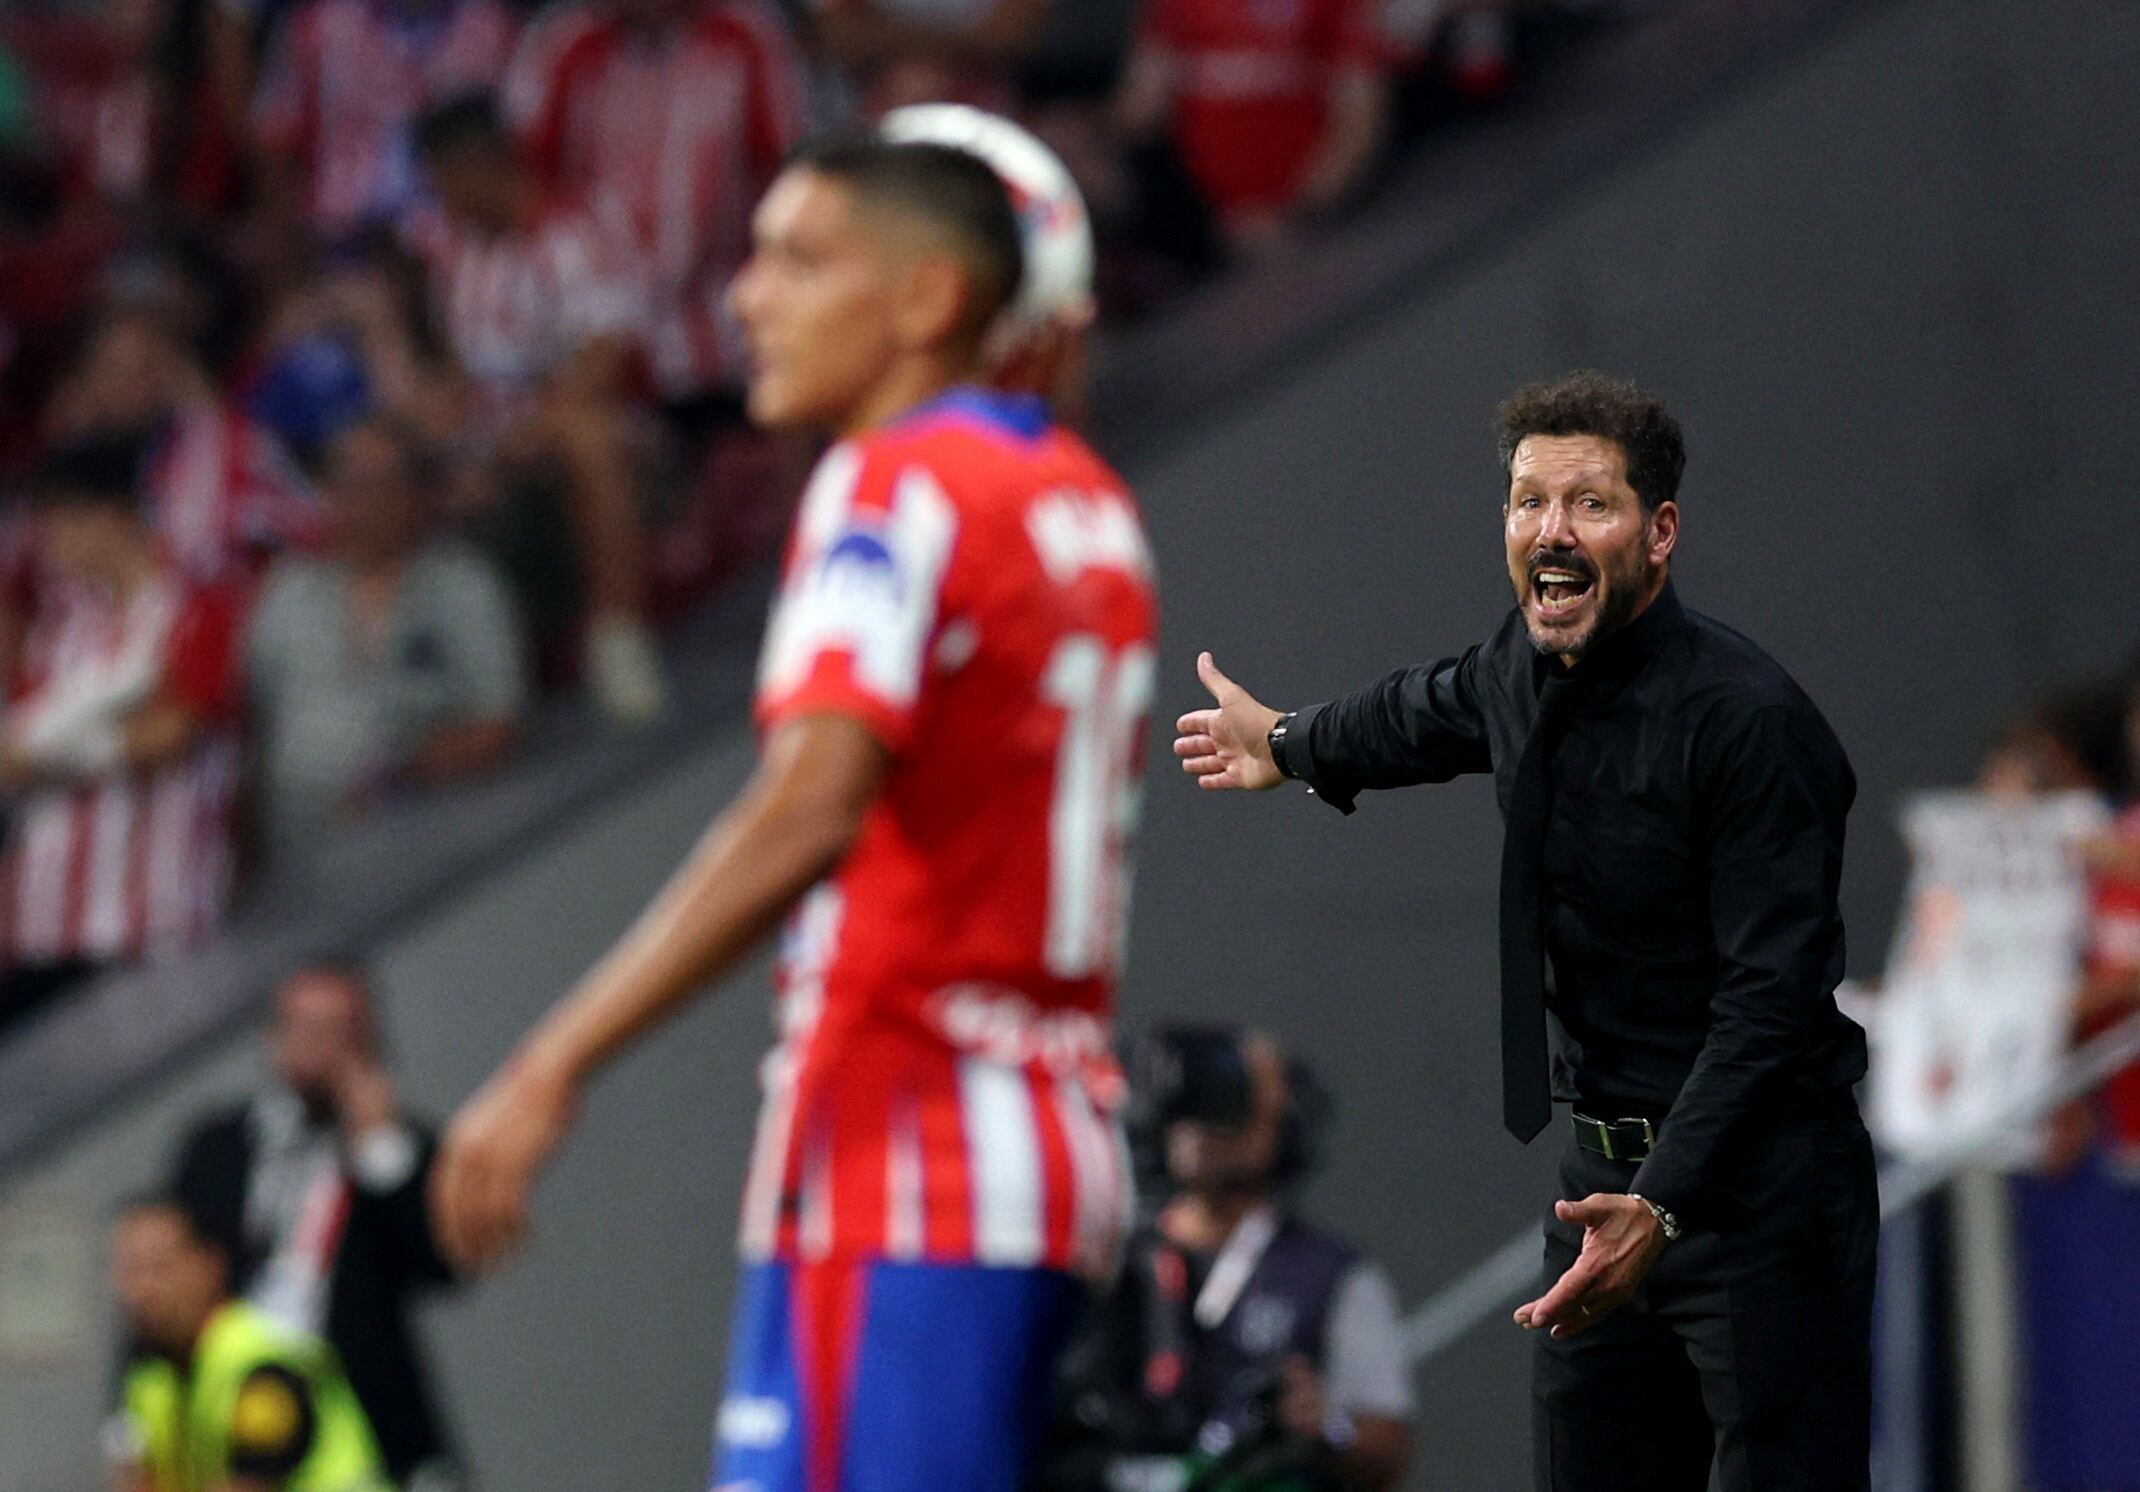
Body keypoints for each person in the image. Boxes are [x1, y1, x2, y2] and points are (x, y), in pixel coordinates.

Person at [432, 136, 1159, 1492]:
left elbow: (812, 800)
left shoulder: (892, 483)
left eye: (801, 259)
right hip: (1053, 1144)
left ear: (927, 299)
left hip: (904, 1152)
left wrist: (551, 1062)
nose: (746, 298)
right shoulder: (1088, 505)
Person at [1171, 370, 1877, 1491]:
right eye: (1525, 500)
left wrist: (1664, 1200)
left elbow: (1771, 1005)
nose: (1550, 528)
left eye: (1588, 503)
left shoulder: (1749, 724)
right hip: (1599, 1179)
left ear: (1659, 532)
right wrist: (1292, 742)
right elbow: (1427, 707)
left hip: (1756, 1193)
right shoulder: (1520, 666)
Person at [1036, 1028, 1412, 1492]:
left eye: (1234, 1099)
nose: (1206, 1117)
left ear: (1282, 1124)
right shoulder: (1107, 1256)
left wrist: (1327, 1424)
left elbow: (1386, 1453)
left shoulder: (1331, 1276)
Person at [407, 90, 667, 723]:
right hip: (496, 444)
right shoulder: (455, 256)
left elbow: (601, 370)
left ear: (475, 165)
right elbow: (460, 379)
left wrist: (513, 443)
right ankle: (453, 699)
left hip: (601, 437)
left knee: (586, 439)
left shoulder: (570, 231)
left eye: (440, 181)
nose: (436, 198)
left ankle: (620, 637)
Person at [169, 963, 468, 1492]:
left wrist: (380, 1148)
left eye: (341, 1033)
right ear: (273, 1038)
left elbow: (440, 1268)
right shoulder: (217, 1146)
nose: (324, 1050)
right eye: (307, 1029)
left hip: (366, 1423)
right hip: (242, 1414)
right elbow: (167, 1280)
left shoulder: (400, 1148)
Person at [0, 434, 245, 1024]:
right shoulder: (61, 631)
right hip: (46, 924)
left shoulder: (193, 604)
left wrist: (59, 752)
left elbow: (177, 731)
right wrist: (114, 730)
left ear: (109, 513)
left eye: (57, 524)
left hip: (149, 920)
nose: (47, 545)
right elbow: (14, 757)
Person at [244, 414, 527, 860]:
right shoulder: (287, 592)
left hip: (433, 842)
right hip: (298, 857)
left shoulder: (462, 586)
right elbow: (251, 726)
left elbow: (497, 723)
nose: (359, 503)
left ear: (416, 495)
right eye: (345, 485)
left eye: (377, 485)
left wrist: (398, 778)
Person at [501, 0, 804, 417]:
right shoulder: (564, 44)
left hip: (721, 324)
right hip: (593, 321)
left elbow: (783, 174)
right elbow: (525, 185)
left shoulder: (745, 37)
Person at [107, 1191, 391, 1492]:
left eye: (160, 1268)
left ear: (211, 1265)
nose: (143, 1291)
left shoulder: (264, 1362)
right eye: (131, 1270)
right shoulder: (149, 1379)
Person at [1113, 0, 1388, 254]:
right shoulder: (1176, 7)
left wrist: (1295, 212)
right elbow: (1140, 110)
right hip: (1214, 229)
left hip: (1324, 225)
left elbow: (1359, 121)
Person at [250, 0, 519, 238]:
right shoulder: (320, 24)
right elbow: (275, 140)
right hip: (342, 238)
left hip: (463, 240)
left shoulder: (495, 26)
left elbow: (517, 152)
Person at [810, 0, 1051, 115]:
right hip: (864, 112)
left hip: (987, 117)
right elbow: (835, 35)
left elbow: (1010, 37)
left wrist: (888, 35)